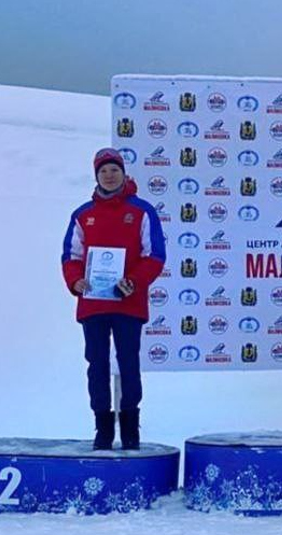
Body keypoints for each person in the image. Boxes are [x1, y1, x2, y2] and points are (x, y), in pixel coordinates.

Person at [61, 148, 166, 450]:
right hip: (93, 303)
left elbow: (155, 255)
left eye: (114, 170)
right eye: (103, 171)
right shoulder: (83, 214)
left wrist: (133, 281)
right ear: (96, 176)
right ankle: (102, 429)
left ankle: (131, 428)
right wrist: (75, 281)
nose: (109, 175)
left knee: (128, 363)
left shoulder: (142, 211)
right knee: (96, 364)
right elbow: (71, 255)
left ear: (123, 173)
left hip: (128, 303)